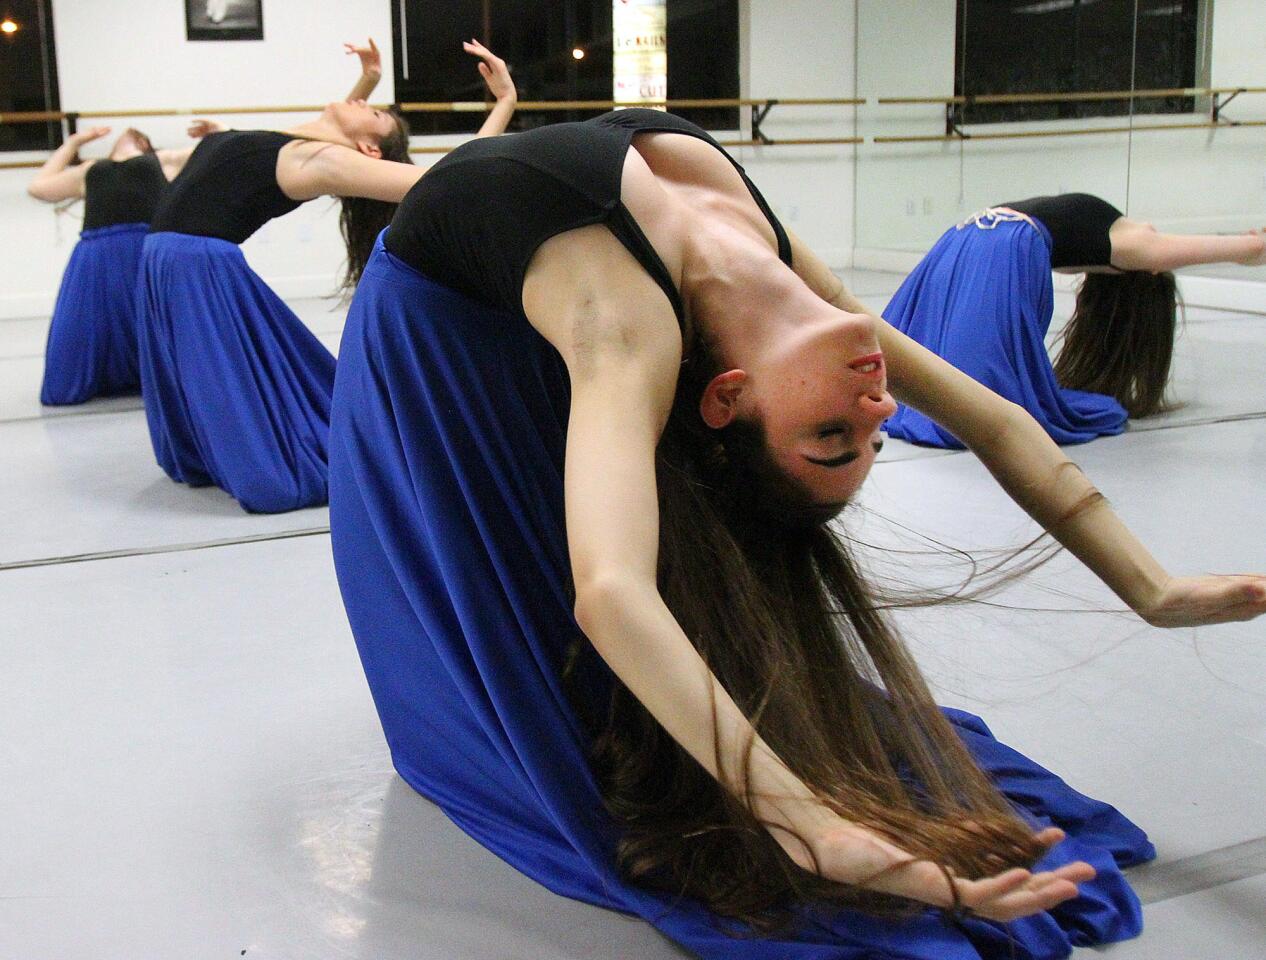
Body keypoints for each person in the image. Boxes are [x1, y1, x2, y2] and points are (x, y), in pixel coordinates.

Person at [328, 108, 1266, 958]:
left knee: (574, 555)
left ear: (731, 396)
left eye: (832, 436)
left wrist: (804, 822)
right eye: (866, 432)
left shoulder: (640, 327)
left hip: (432, 326)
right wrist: (1153, 588)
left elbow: (612, 590)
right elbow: (993, 420)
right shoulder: (764, 305)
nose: (878, 404)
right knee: (559, 551)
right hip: (474, 300)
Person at [135, 38, 515, 513]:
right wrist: (368, 79)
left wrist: (504, 103)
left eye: (375, 114)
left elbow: (448, 178)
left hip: (193, 263)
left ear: (367, 149)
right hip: (167, 259)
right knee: (206, 372)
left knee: (221, 378)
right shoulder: (301, 142)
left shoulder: (320, 162)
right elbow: (325, 125)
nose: (367, 104)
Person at [883, 193, 1266, 448]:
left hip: (961, 238)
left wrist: (1250, 245)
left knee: (929, 357)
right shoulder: (1132, 245)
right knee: (975, 386)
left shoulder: (1121, 244)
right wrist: (1251, 246)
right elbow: (1237, 251)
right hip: (999, 245)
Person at [26, 126, 197, 405]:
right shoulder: (90, 170)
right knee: (87, 320)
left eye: (136, 134)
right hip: (97, 255)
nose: (125, 132)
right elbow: (38, 187)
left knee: (152, 316)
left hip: (145, 249)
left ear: (145, 143)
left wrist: (219, 130)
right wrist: (73, 143)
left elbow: (221, 149)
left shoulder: (165, 160)